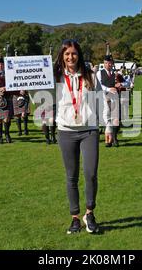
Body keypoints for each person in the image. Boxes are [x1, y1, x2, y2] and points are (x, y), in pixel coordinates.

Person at [54, 40, 105, 234]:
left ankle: (90, 213)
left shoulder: (90, 75)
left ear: (79, 55)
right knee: (71, 176)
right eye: (67, 54)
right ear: (62, 56)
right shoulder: (56, 77)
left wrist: (108, 127)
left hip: (89, 130)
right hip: (66, 130)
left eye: (73, 53)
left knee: (91, 173)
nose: (70, 57)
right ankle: (75, 218)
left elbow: (101, 100)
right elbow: (40, 96)